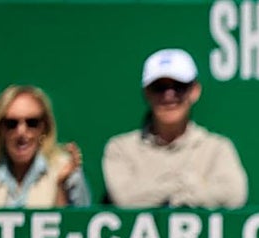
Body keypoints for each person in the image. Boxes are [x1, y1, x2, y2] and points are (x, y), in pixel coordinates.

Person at [102, 48, 247, 208]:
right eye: (159, 87)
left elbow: (234, 195)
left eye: (179, 86)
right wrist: (186, 184)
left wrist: (160, 190)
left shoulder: (217, 148)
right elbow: (125, 199)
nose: (169, 95)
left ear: (195, 91)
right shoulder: (120, 148)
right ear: (146, 93)